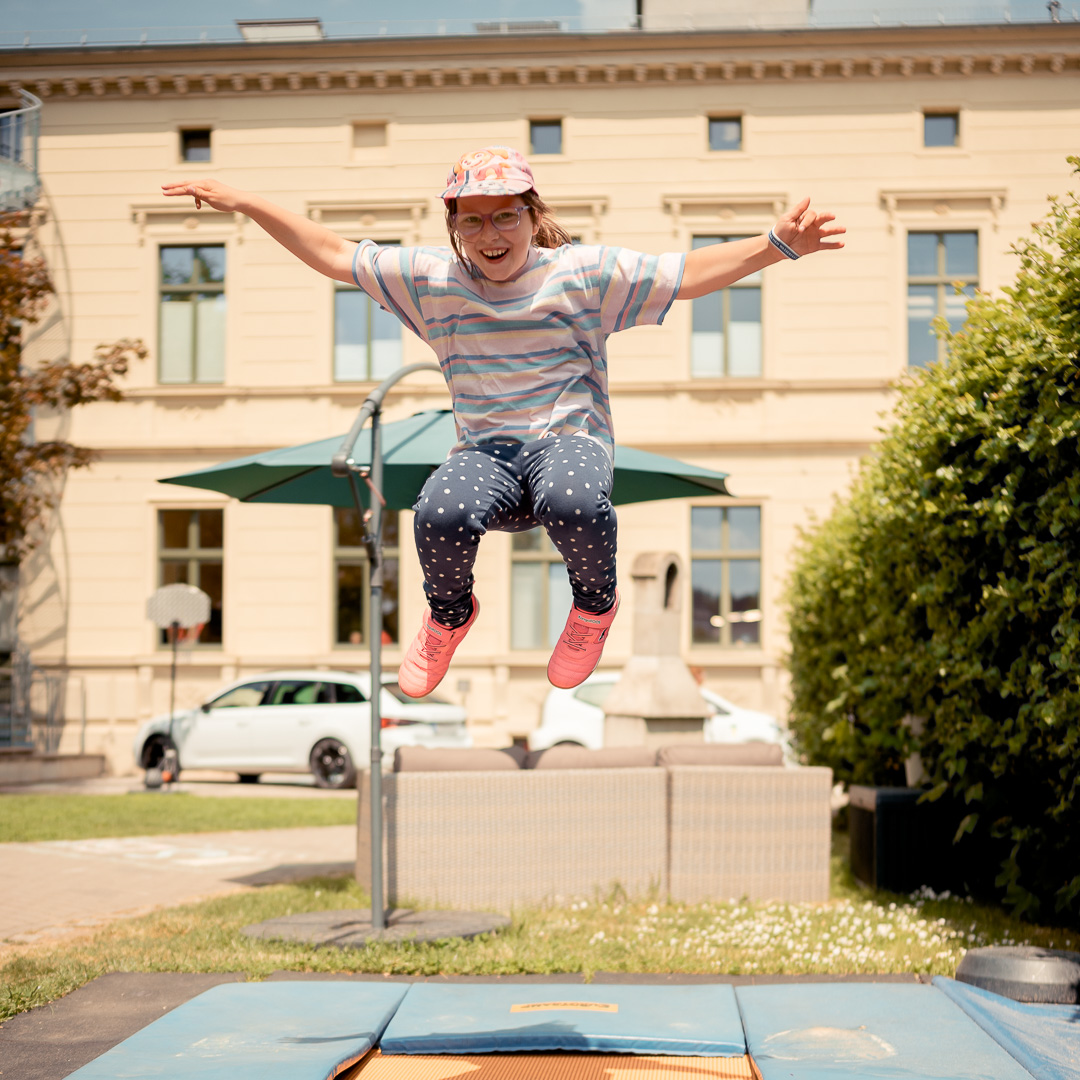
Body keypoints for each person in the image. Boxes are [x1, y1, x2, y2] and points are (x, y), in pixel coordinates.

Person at [163, 146, 843, 697]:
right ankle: (450, 614)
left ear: (531, 214)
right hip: (485, 454)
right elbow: (334, 254)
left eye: (506, 218)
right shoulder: (430, 279)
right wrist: (246, 202)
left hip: (566, 445)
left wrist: (775, 245)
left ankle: (594, 605)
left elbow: (687, 271)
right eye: (473, 222)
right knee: (436, 513)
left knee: (572, 497)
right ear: (455, 227)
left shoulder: (584, 273)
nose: (491, 237)